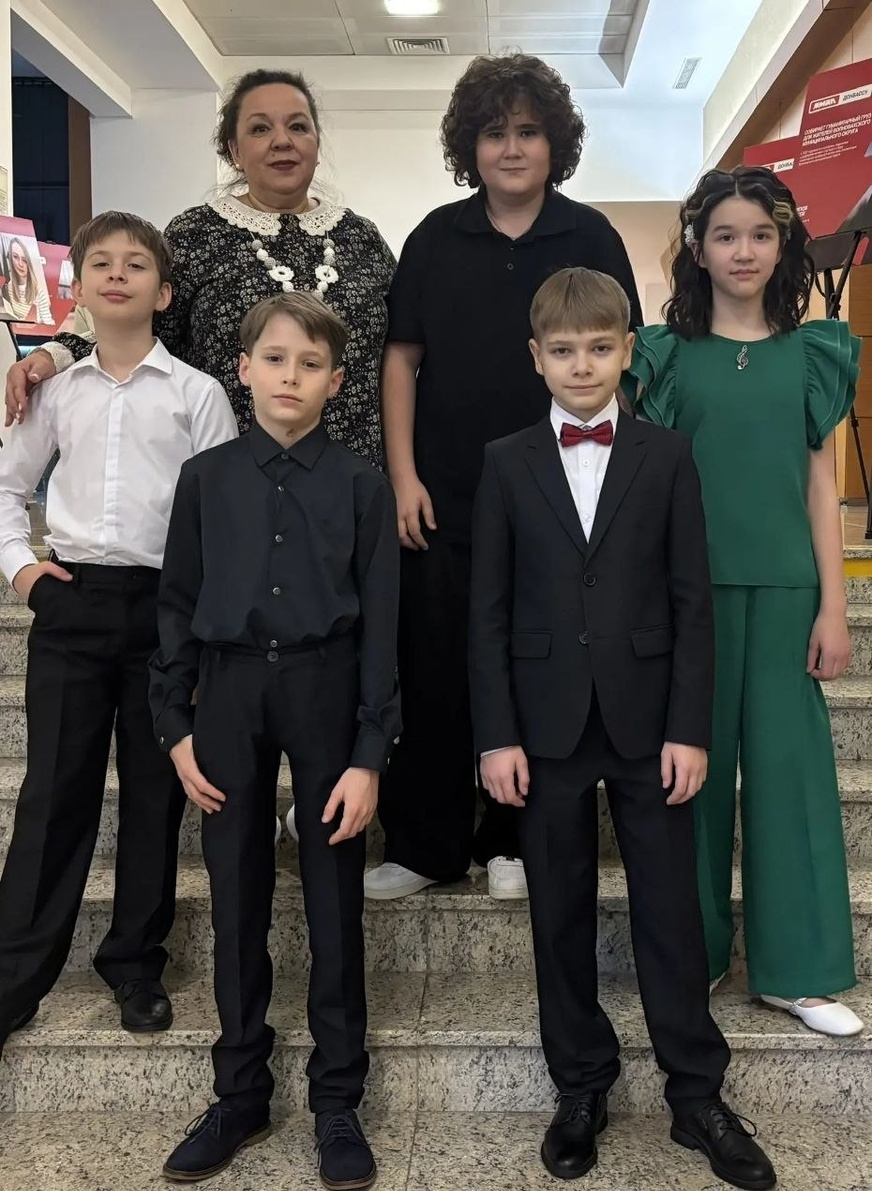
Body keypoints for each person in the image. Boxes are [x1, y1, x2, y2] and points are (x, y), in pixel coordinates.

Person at [468, 266, 776, 1191]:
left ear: (627, 351)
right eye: (564, 350)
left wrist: (690, 728)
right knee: (557, 912)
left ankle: (696, 1094)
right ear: (536, 357)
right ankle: (580, 1087)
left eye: (600, 348)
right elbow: (487, 610)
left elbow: (691, 602)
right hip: (544, 725)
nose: (582, 365)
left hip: (651, 725)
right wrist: (495, 735)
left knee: (670, 913)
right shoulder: (504, 461)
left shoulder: (667, 455)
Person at [363, 52, 643, 904]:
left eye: (527, 131)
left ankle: (513, 842)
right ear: (469, 147)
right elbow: (400, 360)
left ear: (555, 143)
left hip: (558, 502)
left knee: (539, 666)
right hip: (444, 495)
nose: (512, 148)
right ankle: (426, 842)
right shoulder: (434, 238)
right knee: (436, 663)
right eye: (494, 133)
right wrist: (402, 475)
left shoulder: (591, 237)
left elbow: (622, 371)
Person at [149, 291, 400, 1189]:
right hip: (228, 691)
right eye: (275, 358)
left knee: (334, 898)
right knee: (235, 896)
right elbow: (176, 605)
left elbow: (383, 628)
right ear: (243, 368)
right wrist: (176, 728)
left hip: (325, 686)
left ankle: (338, 1099)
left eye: (310, 363)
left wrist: (370, 754)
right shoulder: (204, 479)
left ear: (337, 381)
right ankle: (240, 1093)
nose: (290, 375)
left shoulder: (364, 485)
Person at [623, 165, 862, 1037]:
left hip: (788, 592)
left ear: (784, 243)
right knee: (687, 780)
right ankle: (691, 957)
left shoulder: (816, 352)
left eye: (761, 234)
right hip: (688, 597)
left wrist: (833, 606)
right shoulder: (662, 356)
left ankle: (796, 971)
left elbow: (820, 486)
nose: (744, 250)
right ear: (697, 248)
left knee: (789, 779)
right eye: (725, 235)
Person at [0, 211, 237, 1052]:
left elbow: (225, 516)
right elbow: (8, 487)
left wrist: (203, 623)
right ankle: (16, 971)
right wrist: (24, 572)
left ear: (163, 292)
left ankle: (135, 962)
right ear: (78, 288)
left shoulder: (198, 394)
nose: (116, 274)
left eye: (136, 264)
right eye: (100, 262)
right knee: (53, 791)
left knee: (152, 792)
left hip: (166, 608)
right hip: (73, 602)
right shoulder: (54, 391)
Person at [4, 68, 395, 468]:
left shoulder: (361, 237)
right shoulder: (196, 234)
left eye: (298, 126)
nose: (282, 141)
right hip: (232, 474)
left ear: (316, 143)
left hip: (356, 477)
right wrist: (57, 355)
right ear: (235, 151)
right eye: (260, 129)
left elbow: (399, 358)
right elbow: (137, 329)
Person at [1, 236, 53, 325]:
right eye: (15, 257)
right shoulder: (9, 286)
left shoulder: (38, 292)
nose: (20, 264)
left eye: (24, 260)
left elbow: (48, 323)